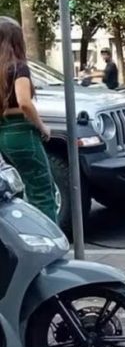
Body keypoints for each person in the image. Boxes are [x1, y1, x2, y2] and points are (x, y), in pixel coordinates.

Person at [0, 18, 57, 223]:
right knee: (43, 191)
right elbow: (25, 102)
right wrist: (42, 126)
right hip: (22, 133)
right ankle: (50, 243)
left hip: (4, 134)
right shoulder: (19, 68)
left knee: (23, 188)